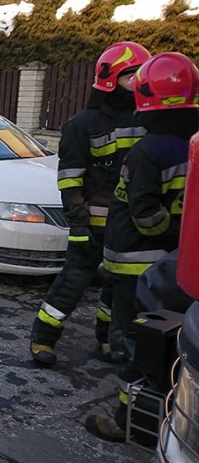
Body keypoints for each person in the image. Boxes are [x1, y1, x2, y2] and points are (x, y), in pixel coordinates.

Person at [85, 51, 199, 441]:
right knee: (171, 344)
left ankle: (130, 421)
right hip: (176, 269)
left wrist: (169, 240)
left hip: (139, 269)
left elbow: (145, 213)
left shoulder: (148, 151)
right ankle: (172, 415)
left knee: (136, 346)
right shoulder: (192, 144)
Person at [29, 41, 151, 367]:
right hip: (93, 224)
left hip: (129, 226)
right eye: (132, 77)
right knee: (73, 283)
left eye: (143, 76)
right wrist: (79, 224)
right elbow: (70, 180)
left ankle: (106, 340)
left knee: (117, 287)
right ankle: (43, 337)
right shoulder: (83, 125)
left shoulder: (149, 120)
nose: (139, 83)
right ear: (111, 80)